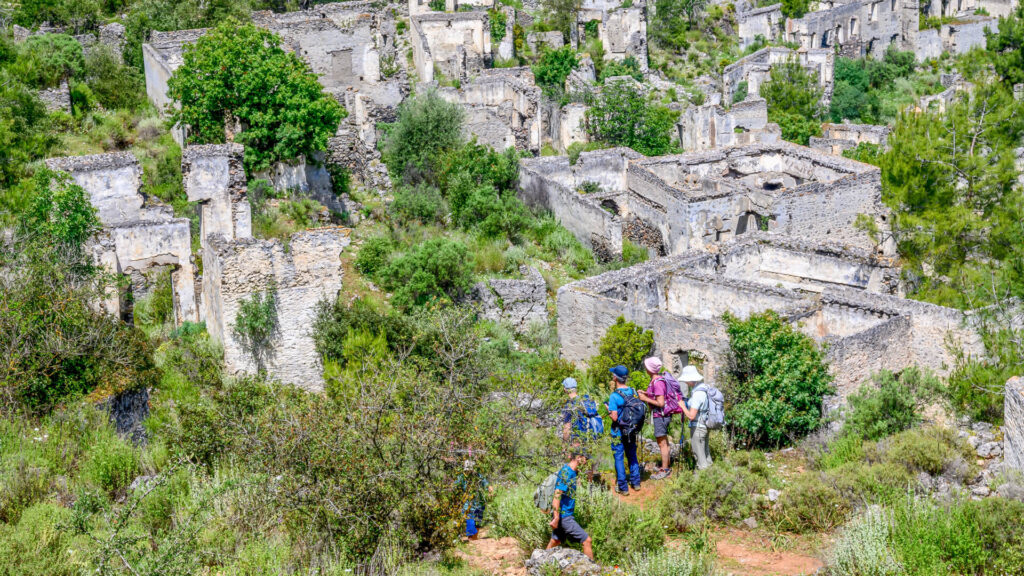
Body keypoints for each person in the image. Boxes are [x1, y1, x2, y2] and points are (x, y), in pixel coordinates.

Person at [546, 451, 594, 560]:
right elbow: (557, 495)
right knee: (587, 540)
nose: (586, 461)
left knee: (555, 540)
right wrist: (556, 517)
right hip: (564, 517)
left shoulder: (571, 471)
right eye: (585, 458)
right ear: (578, 457)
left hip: (563, 515)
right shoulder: (567, 473)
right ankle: (592, 571)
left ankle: (539, 563)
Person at [637, 357, 677, 480]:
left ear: (650, 369)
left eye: (646, 366)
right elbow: (658, 395)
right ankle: (666, 466)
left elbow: (660, 402)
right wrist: (647, 393)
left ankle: (665, 470)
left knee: (662, 443)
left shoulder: (658, 382)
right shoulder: (657, 380)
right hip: (663, 415)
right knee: (664, 441)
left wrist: (645, 399)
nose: (645, 368)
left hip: (661, 415)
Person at [606, 365, 642, 495]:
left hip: (618, 431)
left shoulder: (614, 396)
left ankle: (623, 487)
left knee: (619, 458)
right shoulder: (633, 391)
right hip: (632, 430)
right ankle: (636, 482)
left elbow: (614, 417)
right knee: (632, 455)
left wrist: (608, 410)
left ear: (615, 378)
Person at [678, 365, 713, 470]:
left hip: (698, 428)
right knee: (706, 454)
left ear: (690, 380)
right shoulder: (705, 388)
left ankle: (703, 481)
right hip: (705, 425)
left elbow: (691, 416)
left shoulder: (697, 394)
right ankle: (713, 477)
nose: (685, 382)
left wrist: (683, 406)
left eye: (686, 380)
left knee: (699, 455)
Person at [457, 460, 490, 540]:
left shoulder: (479, 476)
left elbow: (487, 485)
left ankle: (475, 538)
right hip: (467, 504)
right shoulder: (461, 477)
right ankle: (471, 538)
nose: (468, 472)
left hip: (479, 503)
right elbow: (456, 487)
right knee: (469, 521)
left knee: (478, 521)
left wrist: (490, 491)